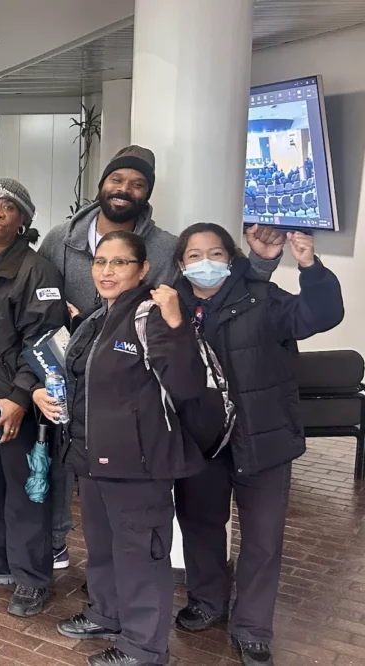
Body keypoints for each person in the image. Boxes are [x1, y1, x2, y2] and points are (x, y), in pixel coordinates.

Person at [37, 145, 283, 571]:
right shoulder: (60, 238)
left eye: (137, 184)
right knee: (71, 476)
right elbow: (40, 300)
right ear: (101, 184)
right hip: (73, 380)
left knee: (128, 516)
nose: (124, 189)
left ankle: (131, 598)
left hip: (133, 397)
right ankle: (64, 549)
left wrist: (260, 265)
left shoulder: (166, 246)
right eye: (117, 180)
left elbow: (208, 291)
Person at [171, 223, 343, 666]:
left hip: (263, 437)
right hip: (203, 443)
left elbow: (320, 315)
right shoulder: (171, 308)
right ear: (180, 264)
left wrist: (308, 263)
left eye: (215, 253)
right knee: (201, 526)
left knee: (262, 539)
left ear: (232, 259)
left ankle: (252, 628)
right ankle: (208, 602)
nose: (204, 262)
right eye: (194, 255)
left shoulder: (263, 299)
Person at [53, 231, 205, 666]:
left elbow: (187, 383)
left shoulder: (151, 314)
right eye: (101, 261)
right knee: (103, 547)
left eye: (120, 263)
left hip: (138, 464)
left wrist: (176, 326)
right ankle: (106, 613)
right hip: (92, 457)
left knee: (141, 555)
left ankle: (144, 647)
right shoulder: (98, 318)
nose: (107, 271)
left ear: (142, 270)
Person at [0, 178, 68, 618]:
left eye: (8, 206)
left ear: (23, 218)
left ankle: (31, 578)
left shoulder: (37, 271)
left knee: (25, 496)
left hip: (17, 404)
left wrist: (20, 397)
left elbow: (44, 340)